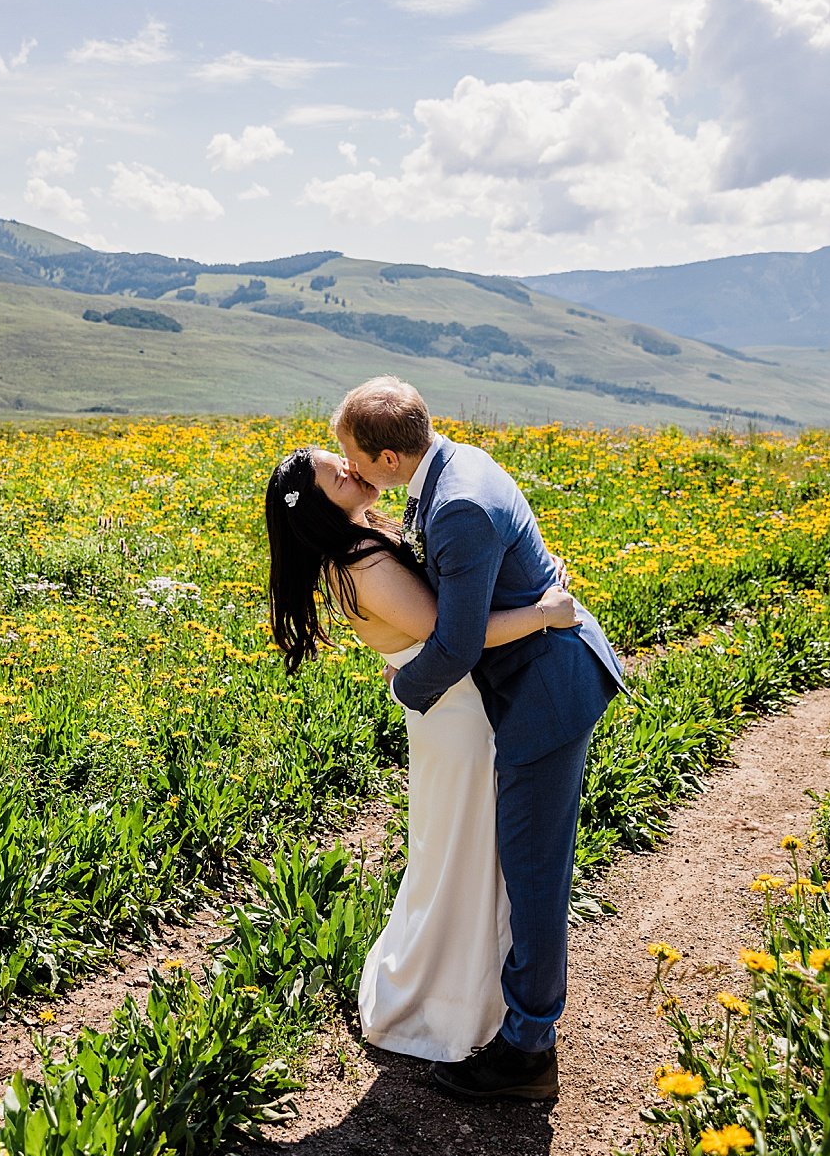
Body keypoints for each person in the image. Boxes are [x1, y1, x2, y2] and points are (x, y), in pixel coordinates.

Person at [332, 376, 623, 1101]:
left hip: (544, 694)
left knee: (533, 870)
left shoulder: (456, 503)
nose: (354, 473)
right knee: (525, 861)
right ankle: (512, 1014)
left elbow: (456, 645)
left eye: (358, 460)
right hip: (530, 678)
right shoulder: (455, 466)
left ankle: (528, 1052)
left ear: (392, 457)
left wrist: (403, 686)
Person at [265, 445, 577, 1063]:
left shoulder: (359, 545)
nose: (354, 470)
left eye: (345, 461)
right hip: (456, 712)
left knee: (462, 847)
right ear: (321, 506)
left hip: (446, 708)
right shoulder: (360, 561)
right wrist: (543, 613)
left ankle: (480, 993)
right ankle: (456, 1004)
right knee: (467, 851)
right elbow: (453, 636)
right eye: (339, 474)